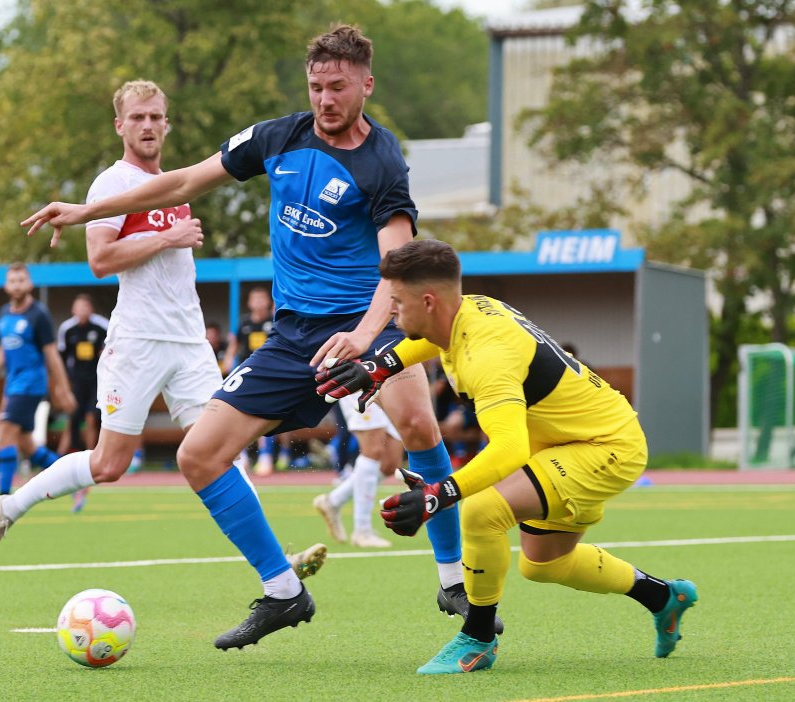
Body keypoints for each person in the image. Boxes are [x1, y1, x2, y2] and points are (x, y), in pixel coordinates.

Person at [19, 28, 485, 648]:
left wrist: (364, 336)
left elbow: (394, 269)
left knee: (420, 429)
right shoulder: (276, 137)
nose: (325, 99)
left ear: (366, 86)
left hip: (363, 322)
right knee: (198, 455)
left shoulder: (383, 161)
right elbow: (182, 183)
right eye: (316, 86)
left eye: (338, 87)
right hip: (293, 336)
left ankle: (453, 579)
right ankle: (284, 592)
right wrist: (86, 212)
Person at [0, 80, 327, 642]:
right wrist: (170, 238)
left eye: (156, 116)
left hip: (189, 343)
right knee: (110, 463)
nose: (147, 125)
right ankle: (8, 508)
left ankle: (276, 571)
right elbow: (99, 260)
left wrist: (175, 235)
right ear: (120, 125)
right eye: (137, 116)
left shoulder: (175, 184)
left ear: (167, 123)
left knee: (219, 449)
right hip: (136, 341)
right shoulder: (111, 184)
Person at [316, 239, 697, 674]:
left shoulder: (488, 357)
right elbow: (429, 342)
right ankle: (664, 596)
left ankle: (476, 641)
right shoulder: (464, 311)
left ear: (428, 300)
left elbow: (509, 448)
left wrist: (439, 494)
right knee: (544, 564)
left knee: (480, 512)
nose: (389, 312)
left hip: (603, 447)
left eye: (395, 302)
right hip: (570, 440)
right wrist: (378, 367)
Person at [0, 263, 76, 498]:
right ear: (6, 286)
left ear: (29, 284)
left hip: (31, 384)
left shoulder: (38, 315)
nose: (17, 285)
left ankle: (1, 501)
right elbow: (3, 351)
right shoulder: (3, 314)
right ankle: (75, 481)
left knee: (4, 433)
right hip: (14, 385)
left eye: (21, 280)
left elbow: (52, 354)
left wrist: (63, 388)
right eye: (13, 281)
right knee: (27, 446)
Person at [312, 392, 403, 548]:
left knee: (390, 463)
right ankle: (363, 531)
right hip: (361, 378)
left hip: (388, 381)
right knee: (373, 449)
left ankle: (333, 501)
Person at [56, 294, 110, 511]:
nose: (82, 310)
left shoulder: (101, 326)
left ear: (91, 308)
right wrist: (61, 387)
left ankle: (92, 456)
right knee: (72, 421)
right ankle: (58, 459)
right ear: (73, 310)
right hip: (76, 383)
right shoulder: (67, 329)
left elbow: (112, 349)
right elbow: (59, 358)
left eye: (85, 306)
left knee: (90, 418)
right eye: (78, 307)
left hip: (97, 381)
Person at [222, 286, 282, 475]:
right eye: (253, 299)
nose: (257, 302)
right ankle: (243, 456)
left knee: (267, 416)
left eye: (261, 298)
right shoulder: (244, 323)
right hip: (248, 375)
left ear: (268, 301)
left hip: (272, 375)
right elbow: (234, 345)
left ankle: (266, 456)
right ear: (249, 303)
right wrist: (228, 361)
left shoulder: (274, 321)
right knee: (241, 415)